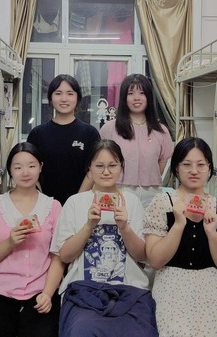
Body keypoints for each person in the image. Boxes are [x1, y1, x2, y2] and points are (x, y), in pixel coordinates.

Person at [144, 137, 217, 337]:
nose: (194, 171)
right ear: (176, 168)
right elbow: (155, 261)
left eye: (201, 165)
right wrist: (178, 225)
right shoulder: (162, 203)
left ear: (209, 168)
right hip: (172, 284)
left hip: (215, 285)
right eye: (186, 164)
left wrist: (212, 234)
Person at [51, 139, 157, 337]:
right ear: (89, 169)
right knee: (83, 330)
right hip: (84, 290)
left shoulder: (132, 201)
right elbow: (64, 255)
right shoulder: (75, 202)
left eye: (112, 165)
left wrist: (125, 227)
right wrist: (89, 226)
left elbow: (142, 255)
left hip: (129, 290)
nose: (106, 172)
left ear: (121, 167)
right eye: (99, 166)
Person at [0, 142, 63, 337]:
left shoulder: (53, 207)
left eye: (31, 165)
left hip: (39, 293)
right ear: (10, 170)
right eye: (18, 167)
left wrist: (48, 293)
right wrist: (9, 243)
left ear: (40, 167)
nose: (25, 172)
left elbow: (58, 257)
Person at [98, 74, 173, 210]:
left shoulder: (161, 131)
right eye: (131, 93)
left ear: (149, 97)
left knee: (150, 224)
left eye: (142, 93)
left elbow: (161, 164)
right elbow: (102, 163)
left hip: (152, 193)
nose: (136, 98)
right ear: (124, 98)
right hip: (119, 190)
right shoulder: (110, 129)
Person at [27, 74, 100, 204]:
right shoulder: (37, 134)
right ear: (50, 98)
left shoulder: (90, 133)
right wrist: (43, 200)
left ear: (78, 98)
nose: (64, 99)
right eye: (58, 93)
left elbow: (94, 168)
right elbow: (30, 167)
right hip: (44, 204)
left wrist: (76, 201)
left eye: (70, 94)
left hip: (80, 203)